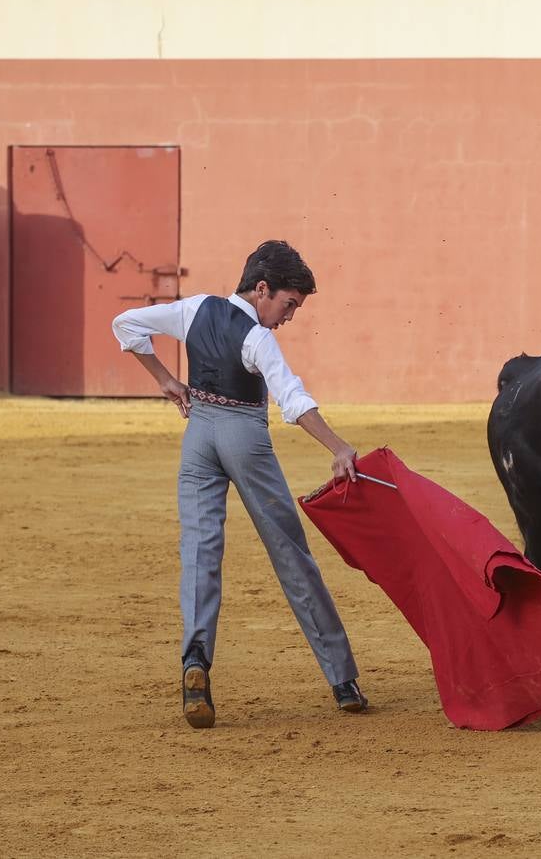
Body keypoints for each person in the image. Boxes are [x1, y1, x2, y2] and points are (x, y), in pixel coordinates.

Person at [112, 240, 369, 730]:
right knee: (291, 553)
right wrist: (338, 446)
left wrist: (166, 379)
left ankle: (195, 666)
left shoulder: (195, 309)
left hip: (198, 438)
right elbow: (292, 400)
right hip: (244, 439)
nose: (290, 316)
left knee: (199, 552)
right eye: (289, 304)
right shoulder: (257, 338)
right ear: (262, 289)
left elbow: (126, 325)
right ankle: (342, 680)